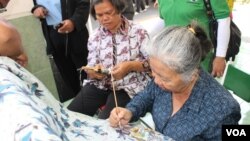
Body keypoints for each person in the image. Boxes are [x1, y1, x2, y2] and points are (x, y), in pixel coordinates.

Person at [109, 22, 241, 140]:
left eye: (164, 78)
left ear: (192, 74)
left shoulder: (223, 109)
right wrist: (130, 111)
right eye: (153, 72)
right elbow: (147, 96)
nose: (156, 81)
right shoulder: (161, 77)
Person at [68, 0, 152, 119]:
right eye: (100, 15)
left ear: (119, 10)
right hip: (101, 84)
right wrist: (94, 72)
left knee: (107, 122)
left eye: (109, 13)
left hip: (129, 86)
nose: (105, 18)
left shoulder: (138, 32)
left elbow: (154, 63)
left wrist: (130, 66)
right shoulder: (95, 37)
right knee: (71, 116)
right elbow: (91, 65)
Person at [31, 0, 90, 102]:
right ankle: (81, 103)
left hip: (76, 33)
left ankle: (97, 104)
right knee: (68, 76)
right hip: (53, 36)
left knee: (87, 72)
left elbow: (83, 4)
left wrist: (73, 22)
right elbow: (39, 6)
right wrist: (37, 9)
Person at [154, 0, 231, 78]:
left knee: (199, 86)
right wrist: (149, 43)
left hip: (199, 56)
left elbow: (223, 19)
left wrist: (220, 57)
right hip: (171, 56)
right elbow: (164, 19)